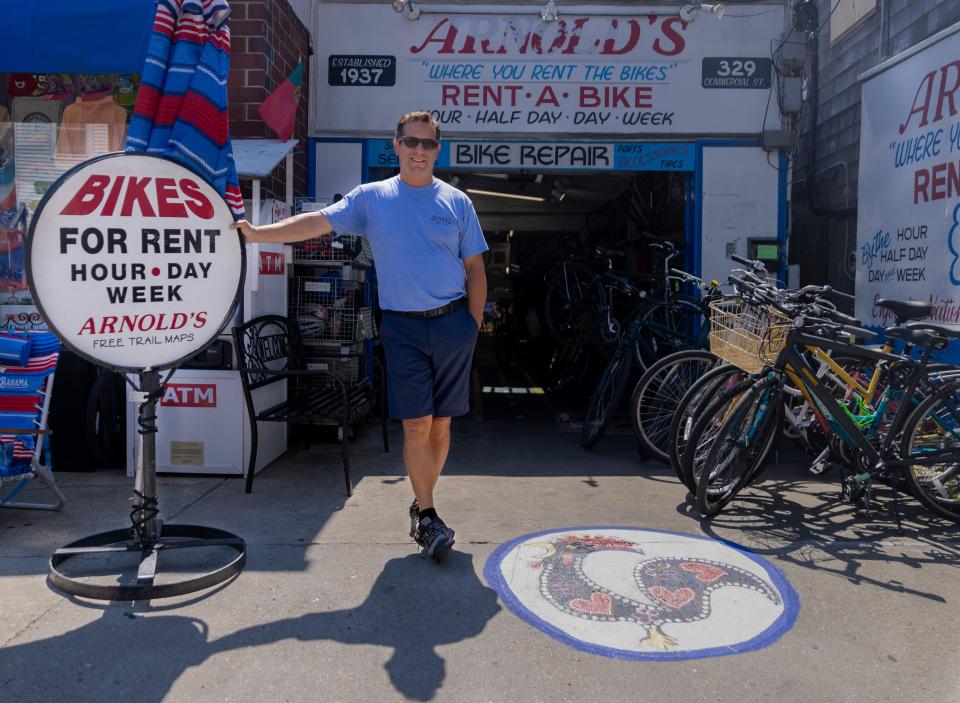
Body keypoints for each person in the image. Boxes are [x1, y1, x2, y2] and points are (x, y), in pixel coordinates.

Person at [234, 111, 487, 563]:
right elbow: (315, 223)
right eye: (411, 141)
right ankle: (428, 515)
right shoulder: (372, 198)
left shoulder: (457, 202)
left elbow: (475, 268)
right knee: (415, 422)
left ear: (437, 149)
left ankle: (420, 499)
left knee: (443, 423)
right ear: (396, 144)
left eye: (428, 144)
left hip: (452, 324)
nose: (419, 151)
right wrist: (257, 235)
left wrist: (471, 324)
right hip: (403, 325)